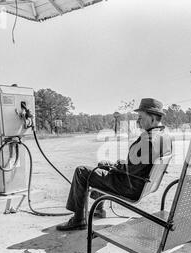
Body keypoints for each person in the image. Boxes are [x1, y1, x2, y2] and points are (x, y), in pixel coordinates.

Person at [57, 98, 173, 231]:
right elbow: (139, 165)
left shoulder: (149, 140)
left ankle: (78, 220)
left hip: (129, 186)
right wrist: (115, 165)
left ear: (152, 118)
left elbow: (131, 170)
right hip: (141, 182)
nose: (138, 121)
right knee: (102, 166)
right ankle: (99, 209)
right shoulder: (164, 136)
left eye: (140, 117)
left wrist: (114, 166)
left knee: (81, 171)